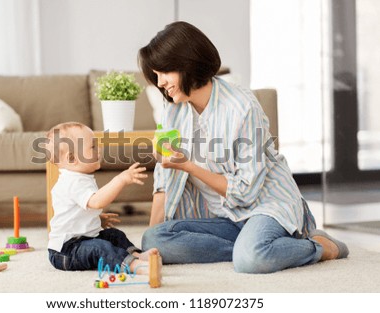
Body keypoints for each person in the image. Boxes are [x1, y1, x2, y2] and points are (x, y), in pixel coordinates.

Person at [138, 21, 349, 273]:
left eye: (164, 72)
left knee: (251, 260)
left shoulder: (242, 107)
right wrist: (146, 252)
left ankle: (320, 247)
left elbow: (246, 192)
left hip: (264, 207)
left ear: (187, 64)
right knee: (153, 239)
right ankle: (259, 246)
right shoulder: (173, 108)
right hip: (225, 218)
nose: (160, 82)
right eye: (156, 75)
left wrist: (189, 166)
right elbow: (165, 181)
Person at [45, 121, 159, 273]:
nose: (99, 149)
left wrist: (96, 220)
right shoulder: (72, 182)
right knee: (100, 248)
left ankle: (136, 255)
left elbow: (80, 210)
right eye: (92, 147)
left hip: (83, 240)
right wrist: (121, 179)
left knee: (113, 235)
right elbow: (97, 201)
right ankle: (132, 266)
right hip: (66, 251)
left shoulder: (79, 177)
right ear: (72, 158)